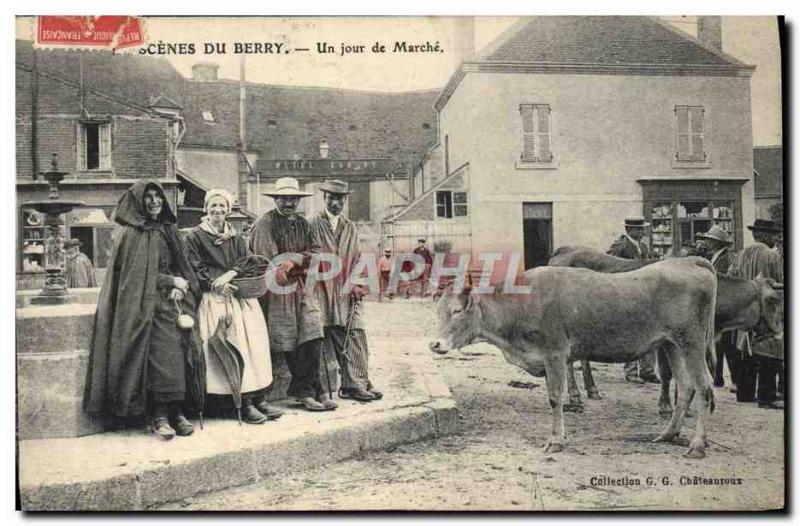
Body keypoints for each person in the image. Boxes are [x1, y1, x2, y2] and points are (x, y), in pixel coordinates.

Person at [84, 179, 202, 440]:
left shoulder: (168, 229)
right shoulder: (131, 234)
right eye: (148, 197)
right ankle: (159, 415)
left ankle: (177, 410)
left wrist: (181, 287)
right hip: (143, 308)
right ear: (138, 201)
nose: (154, 202)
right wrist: (170, 281)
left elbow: (183, 267)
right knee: (161, 356)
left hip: (172, 304)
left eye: (157, 197)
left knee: (182, 354)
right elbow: (134, 278)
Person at [184, 189, 283, 424]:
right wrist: (214, 284)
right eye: (213, 205)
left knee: (254, 346)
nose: (217, 210)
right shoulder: (195, 236)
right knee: (230, 346)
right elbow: (194, 266)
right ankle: (241, 402)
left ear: (228, 210)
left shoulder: (236, 237)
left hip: (240, 297)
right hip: (214, 299)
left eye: (222, 206)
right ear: (205, 208)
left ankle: (258, 396)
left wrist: (231, 274)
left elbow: (249, 261)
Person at [249, 177, 337, 412]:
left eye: (293, 199)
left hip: (301, 286)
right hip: (276, 291)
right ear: (275, 199)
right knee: (287, 337)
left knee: (312, 332)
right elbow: (270, 263)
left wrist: (296, 259)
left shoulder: (302, 223)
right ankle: (303, 393)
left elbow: (317, 253)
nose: (289, 203)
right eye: (284, 199)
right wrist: (291, 264)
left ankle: (313, 390)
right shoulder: (264, 224)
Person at [309, 180, 383, 402]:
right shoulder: (312, 224)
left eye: (339, 199)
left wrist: (358, 284)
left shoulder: (350, 227)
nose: (335, 203)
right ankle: (327, 389)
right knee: (320, 338)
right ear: (324, 199)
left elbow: (359, 259)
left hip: (345, 291)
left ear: (345, 201)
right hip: (320, 290)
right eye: (331, 198)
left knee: (354, 333)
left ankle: (355, 383)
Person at [729, 219, 784, 410]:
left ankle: (745, 392)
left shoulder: (740, 254)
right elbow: (780, 279)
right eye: (772, 234)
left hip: (744, 307)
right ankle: (766, 396)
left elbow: (732, 278)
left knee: (745, 349)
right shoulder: (771, 255)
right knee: (770, 348)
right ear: (762, 235)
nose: (776, 238)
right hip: (767, 307)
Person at [607, 217, 659, 384]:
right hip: (627, 295)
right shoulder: (620, 247)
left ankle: (647, 370)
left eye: (643, 230)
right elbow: (610, 268)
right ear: (629, 230)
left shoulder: (643, 247)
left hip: (645, 295)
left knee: (651, 331)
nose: (643, 233)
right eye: (639, 230)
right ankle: (631, 371)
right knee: (632, 333)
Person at [695, 225, 737, 388]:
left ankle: (734, 379)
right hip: (715, 305)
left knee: (726, 344)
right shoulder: (713, 257)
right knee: (716, 343)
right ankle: (716, 376)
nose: (707, 243)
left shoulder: (725, 259)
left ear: (718, 243)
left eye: (710, 240)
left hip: (722, 305)